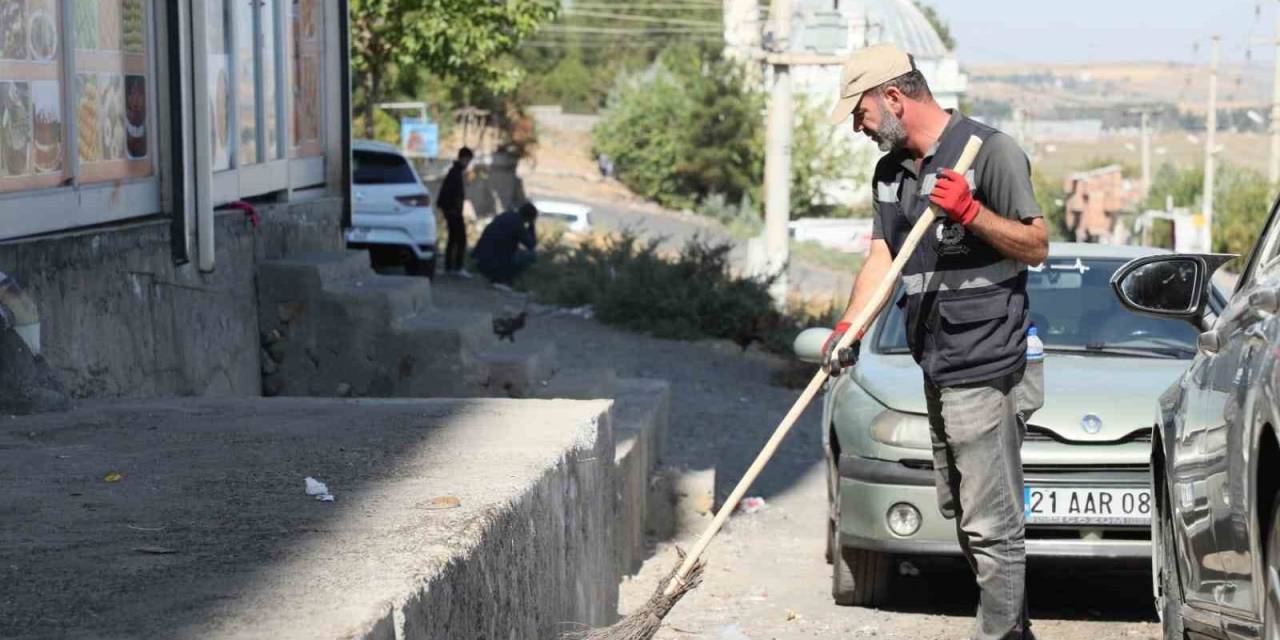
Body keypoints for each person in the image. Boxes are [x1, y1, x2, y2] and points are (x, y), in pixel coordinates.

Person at [823, 43, 1048, 640]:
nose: (857, 126)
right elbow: (883, 258)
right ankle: (1013, 628)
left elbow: (1036, 245)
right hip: (936, 361)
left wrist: (971, 212)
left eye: (861, 112)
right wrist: (849, 329)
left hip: (988, 360)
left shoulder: (991, 152)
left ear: (893, 97)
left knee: (991, 522)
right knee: (963, 510)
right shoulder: (890, 173)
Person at [473, 202, 538, 289]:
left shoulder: (505, 216)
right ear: (529, 217)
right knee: (531, 255)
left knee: (510, 251)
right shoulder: (518, 224)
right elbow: (531, 244)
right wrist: (532, 225)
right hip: (494, 263)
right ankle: (503, 279)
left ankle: (499, 277)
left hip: (479, 259)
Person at [437, 146, 474, 278]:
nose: (468, 164)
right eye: (468, 160)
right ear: (463, 158)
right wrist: (452, 209)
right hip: (453, 211)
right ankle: (457, 267)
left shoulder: (455, 171)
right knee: (461, 239)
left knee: (453, 238)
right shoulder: (455, 173)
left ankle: (449, 267)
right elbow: (449, 193)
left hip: (452, 210)